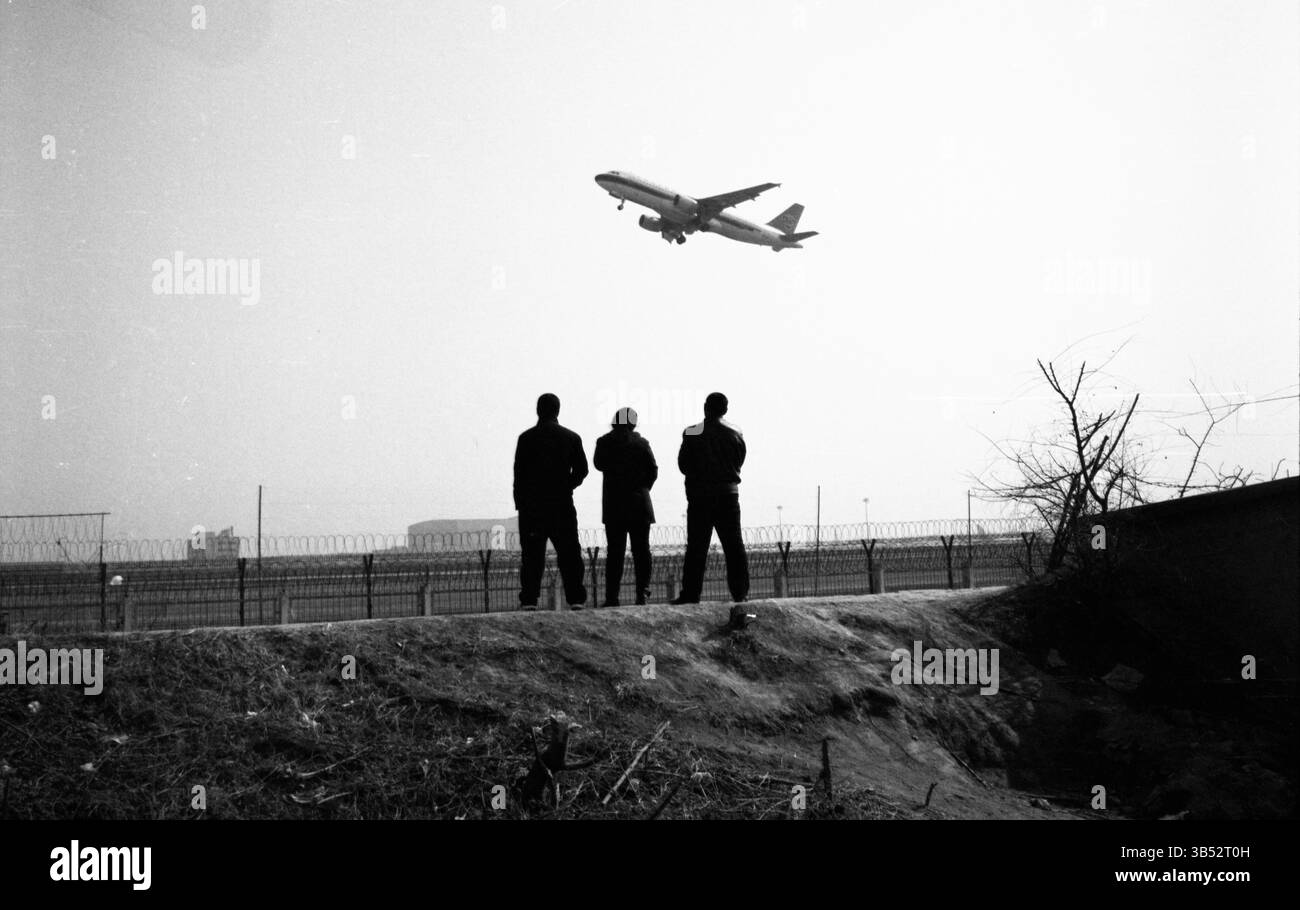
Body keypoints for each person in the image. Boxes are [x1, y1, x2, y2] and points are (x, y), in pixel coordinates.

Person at [672, 392, 749, 604]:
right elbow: (740, 460)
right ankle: (740, 593)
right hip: (728, 494)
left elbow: (683, 465)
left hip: (700, 496)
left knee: (697, 547)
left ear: (705, 407)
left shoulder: (692, 432)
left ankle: (691, 593)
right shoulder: (736, 432)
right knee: (734, 546)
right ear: (725, 409)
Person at [513, 393, 588, 609]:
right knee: (569, 553)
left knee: (532, 556)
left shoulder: (526, 438)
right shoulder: (571, 437)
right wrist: (567, 485)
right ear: (558, 411)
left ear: (538, 410)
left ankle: (529, 599)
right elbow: (582, 470)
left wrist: (521, 503)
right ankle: (575, 598)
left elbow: (519, 475)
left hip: (533, 507)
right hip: (561, 504)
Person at [593, 407, 658, 607]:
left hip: (614, 504)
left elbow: (598, 464)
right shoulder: (642, 443)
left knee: (615, 553)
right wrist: (643, 487)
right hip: (639, 502)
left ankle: (612, 597)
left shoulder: (604, 442)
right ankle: (642, 593)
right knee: (641, 551)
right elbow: (653, 470)